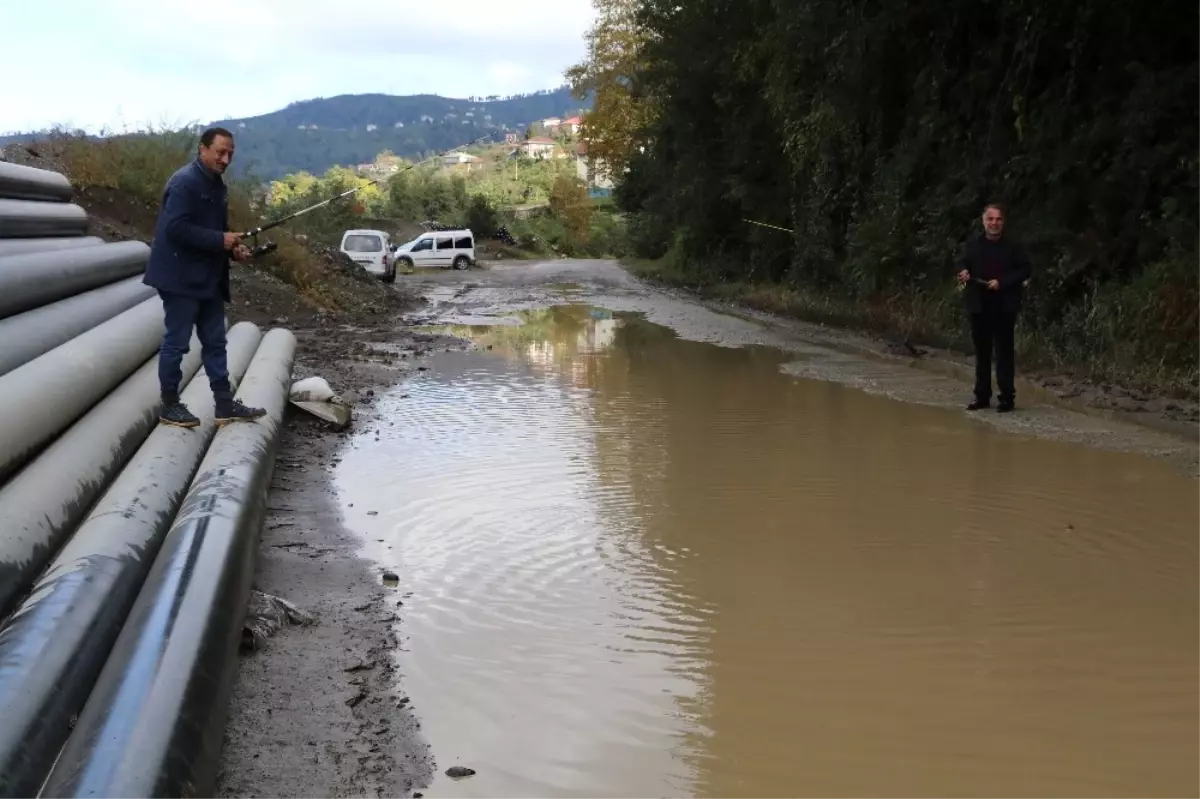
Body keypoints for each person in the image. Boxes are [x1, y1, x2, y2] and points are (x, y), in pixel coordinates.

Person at [143, 127, 266, 428]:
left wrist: (233, 249)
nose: (225, 159)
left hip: (208, 277)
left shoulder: (217, 185)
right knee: (177, 343)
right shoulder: (184, 182)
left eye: (230, 154)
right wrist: (219, 240)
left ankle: (224, 405)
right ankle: (169, 405)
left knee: (215, 342)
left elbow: (215, 231)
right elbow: (174, 229)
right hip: (179, 278)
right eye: (220, 152)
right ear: (202, 149)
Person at [955, 202, 1032, 413]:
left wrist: (1002, 283)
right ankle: (981, 396)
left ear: (1003, 222)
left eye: (998, 219)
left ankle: (1007, 398)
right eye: (990, 219)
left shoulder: (1014, 246)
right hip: (979, 306)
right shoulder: (973, 244)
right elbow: (961, 262)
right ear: (984, 221)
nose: (994, 223)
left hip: (1005, 306)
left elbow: (1025, 270)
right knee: (982, 353)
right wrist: (963, 272)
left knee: (1004, 353)